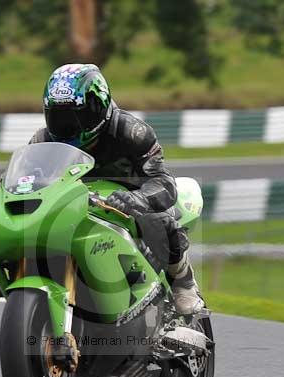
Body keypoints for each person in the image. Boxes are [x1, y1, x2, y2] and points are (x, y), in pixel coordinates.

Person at [29, 63, 202, 315]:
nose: (69, 127)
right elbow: (28, 183)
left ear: (99, 107)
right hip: (77, 209)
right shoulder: (41, 142)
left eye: (79, 115)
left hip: (128, 207)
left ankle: (183, 283)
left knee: (158, 221)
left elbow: (163, 181)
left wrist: (139, 199)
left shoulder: (132, 132)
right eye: (59, 117)